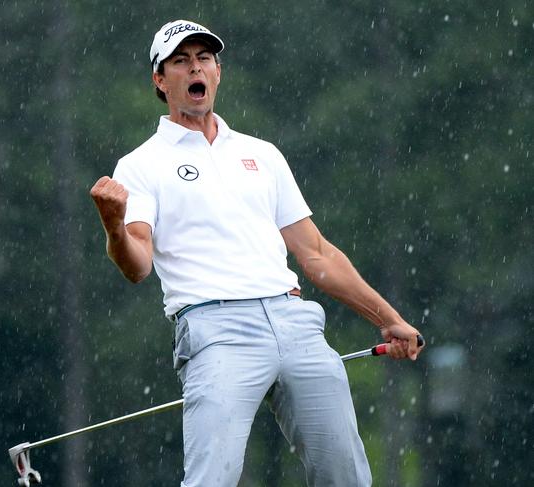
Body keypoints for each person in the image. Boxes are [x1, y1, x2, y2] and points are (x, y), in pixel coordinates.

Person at [90, 19, 424, 487]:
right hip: (214, 329)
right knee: (213, 479)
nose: (195, 68)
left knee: (345, 475)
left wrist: (386, 317)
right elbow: (137, 265)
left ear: (218, 72)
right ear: (160, 80)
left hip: (295, 321)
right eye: (180, 61)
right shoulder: (140, 164)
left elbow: (318, 255)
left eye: (204, 58)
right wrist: (113, 224)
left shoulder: (261, 154)